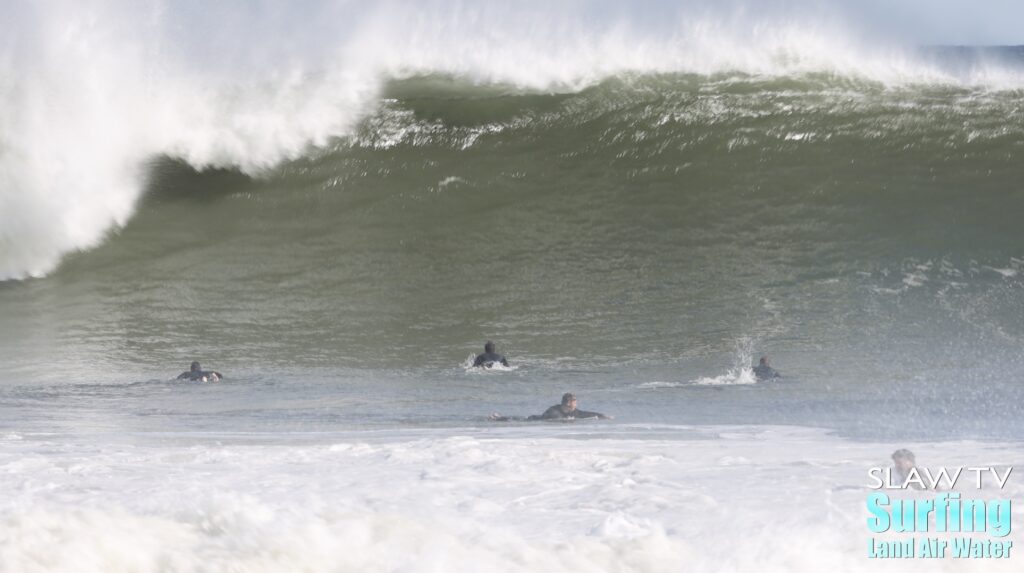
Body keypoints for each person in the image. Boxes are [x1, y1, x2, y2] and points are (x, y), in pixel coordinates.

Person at [527, 393, 610, 420]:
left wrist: (601, 415)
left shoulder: (573, 411)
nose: (576, 402)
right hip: (531, 419)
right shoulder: (553, 411)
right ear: (568, 403)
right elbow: (556, 420)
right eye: (574, 400)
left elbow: (583, 414)